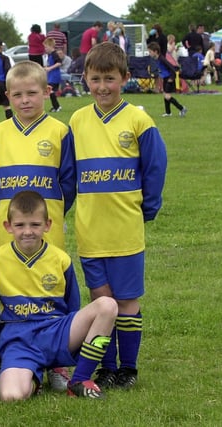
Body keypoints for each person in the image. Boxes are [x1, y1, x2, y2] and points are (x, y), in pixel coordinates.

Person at [68, 42, 168, 391]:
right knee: (102, 302)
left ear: (125, 78)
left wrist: (147, 208)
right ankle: (105, 367)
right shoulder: (78, 120)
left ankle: (129, 368)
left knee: (126, 301)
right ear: (85, 79)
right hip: (90, 232)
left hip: (125, 229)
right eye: (95, 79)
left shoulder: (139, 119)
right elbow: (69, 173)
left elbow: (155, 168)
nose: (102, 87)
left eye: (110, 79)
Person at [0, 190, 118, 400]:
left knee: (107, 306)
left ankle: (80, 379)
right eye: (20, 225)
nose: (27, 232)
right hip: (20, 340)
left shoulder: (61, 259)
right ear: (8, 226)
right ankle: (32, 376)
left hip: (57, 333)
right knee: (11, 396)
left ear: (47, 225)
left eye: (35, 225)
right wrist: (7, 338)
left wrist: (71, 336)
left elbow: (72, 307)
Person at [0, 59, 75, 251]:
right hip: (10, 225)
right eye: (17, 95)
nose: (24, 100)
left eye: (32, 93)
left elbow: (68, 182)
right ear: (8, 96)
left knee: (49, 275)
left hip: (47, 225)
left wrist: (54, 210)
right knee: (10, 275)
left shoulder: (60, 131)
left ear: (46, 92)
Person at [147, 42, 187, 118]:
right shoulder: (158, 59)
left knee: (167, 96)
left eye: (150, 52)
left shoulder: (162, 59)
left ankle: (182, 108)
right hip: (166, 78)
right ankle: (168, 112)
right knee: (165, 95)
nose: (149, 53)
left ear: (155, 51)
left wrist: (171, 78)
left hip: (169, 78)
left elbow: (172, 68)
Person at [43, 37, 63, 113]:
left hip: (55, 76)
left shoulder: (55, 54)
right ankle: (55, 106)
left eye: (46, 47)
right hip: (50, 76)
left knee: (50, 91)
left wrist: (50, 68)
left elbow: (59, 63)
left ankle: (57, 106)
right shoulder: (49, 55)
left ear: (51, 46)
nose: (45, 49)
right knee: (50, 91)